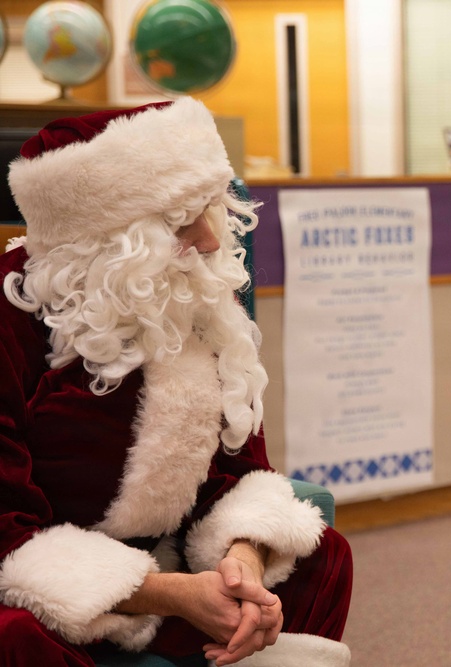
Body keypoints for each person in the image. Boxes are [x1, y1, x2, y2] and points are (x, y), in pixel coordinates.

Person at [0, 98, 352, 666]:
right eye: (182, 222)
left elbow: (239, 470)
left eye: (209, 212)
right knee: (14, 635)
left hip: (165, 558)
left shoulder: (189, 294)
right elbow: (5, 531)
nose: (211, 241)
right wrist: (170, 594)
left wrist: (244, 558)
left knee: (321, 555)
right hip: (38, 575)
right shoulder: (10, 316)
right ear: (104, 239)